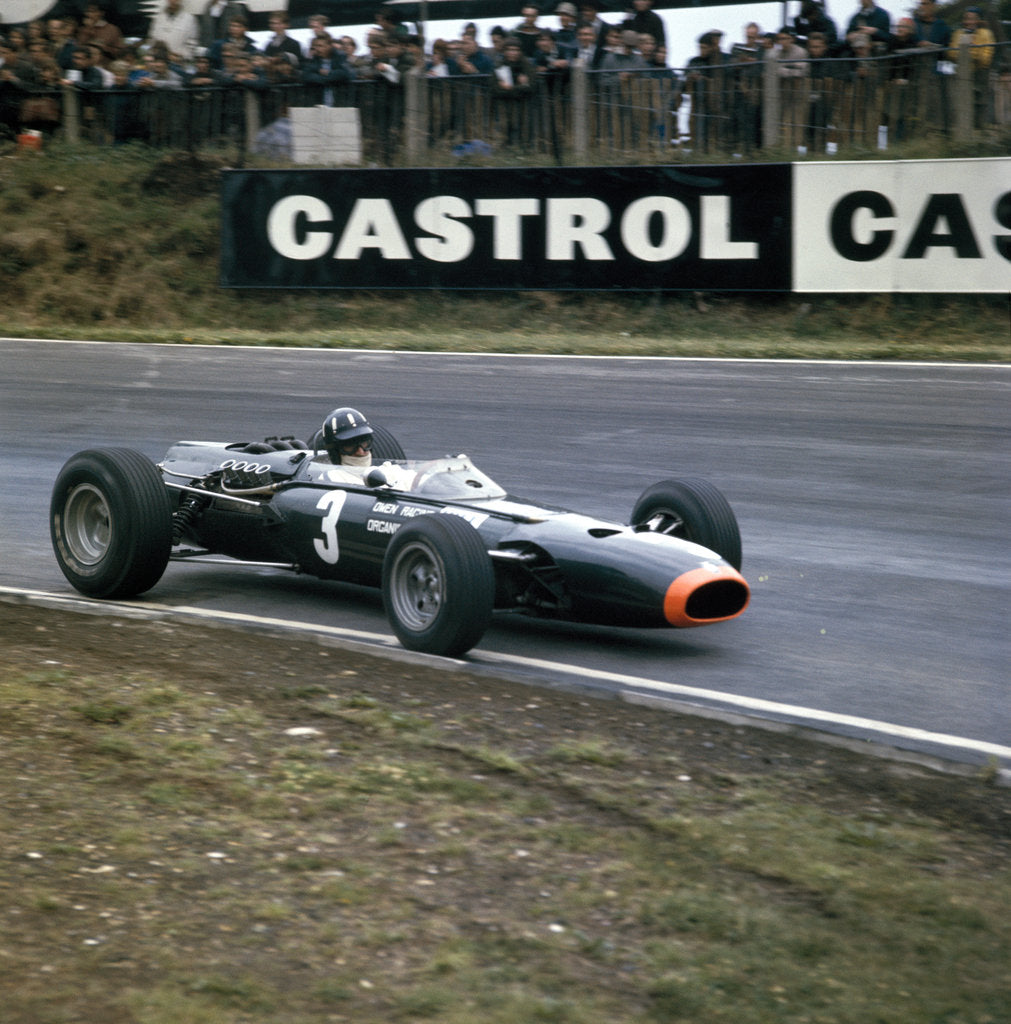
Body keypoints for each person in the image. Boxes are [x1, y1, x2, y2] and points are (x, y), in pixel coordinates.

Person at [145, 0, 200, 66]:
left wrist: (181, 57)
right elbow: (152, 40)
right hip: (160, 63)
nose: (173, 1)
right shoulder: (158, 18)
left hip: (179, 64)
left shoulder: (189, 19)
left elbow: (192, 44)